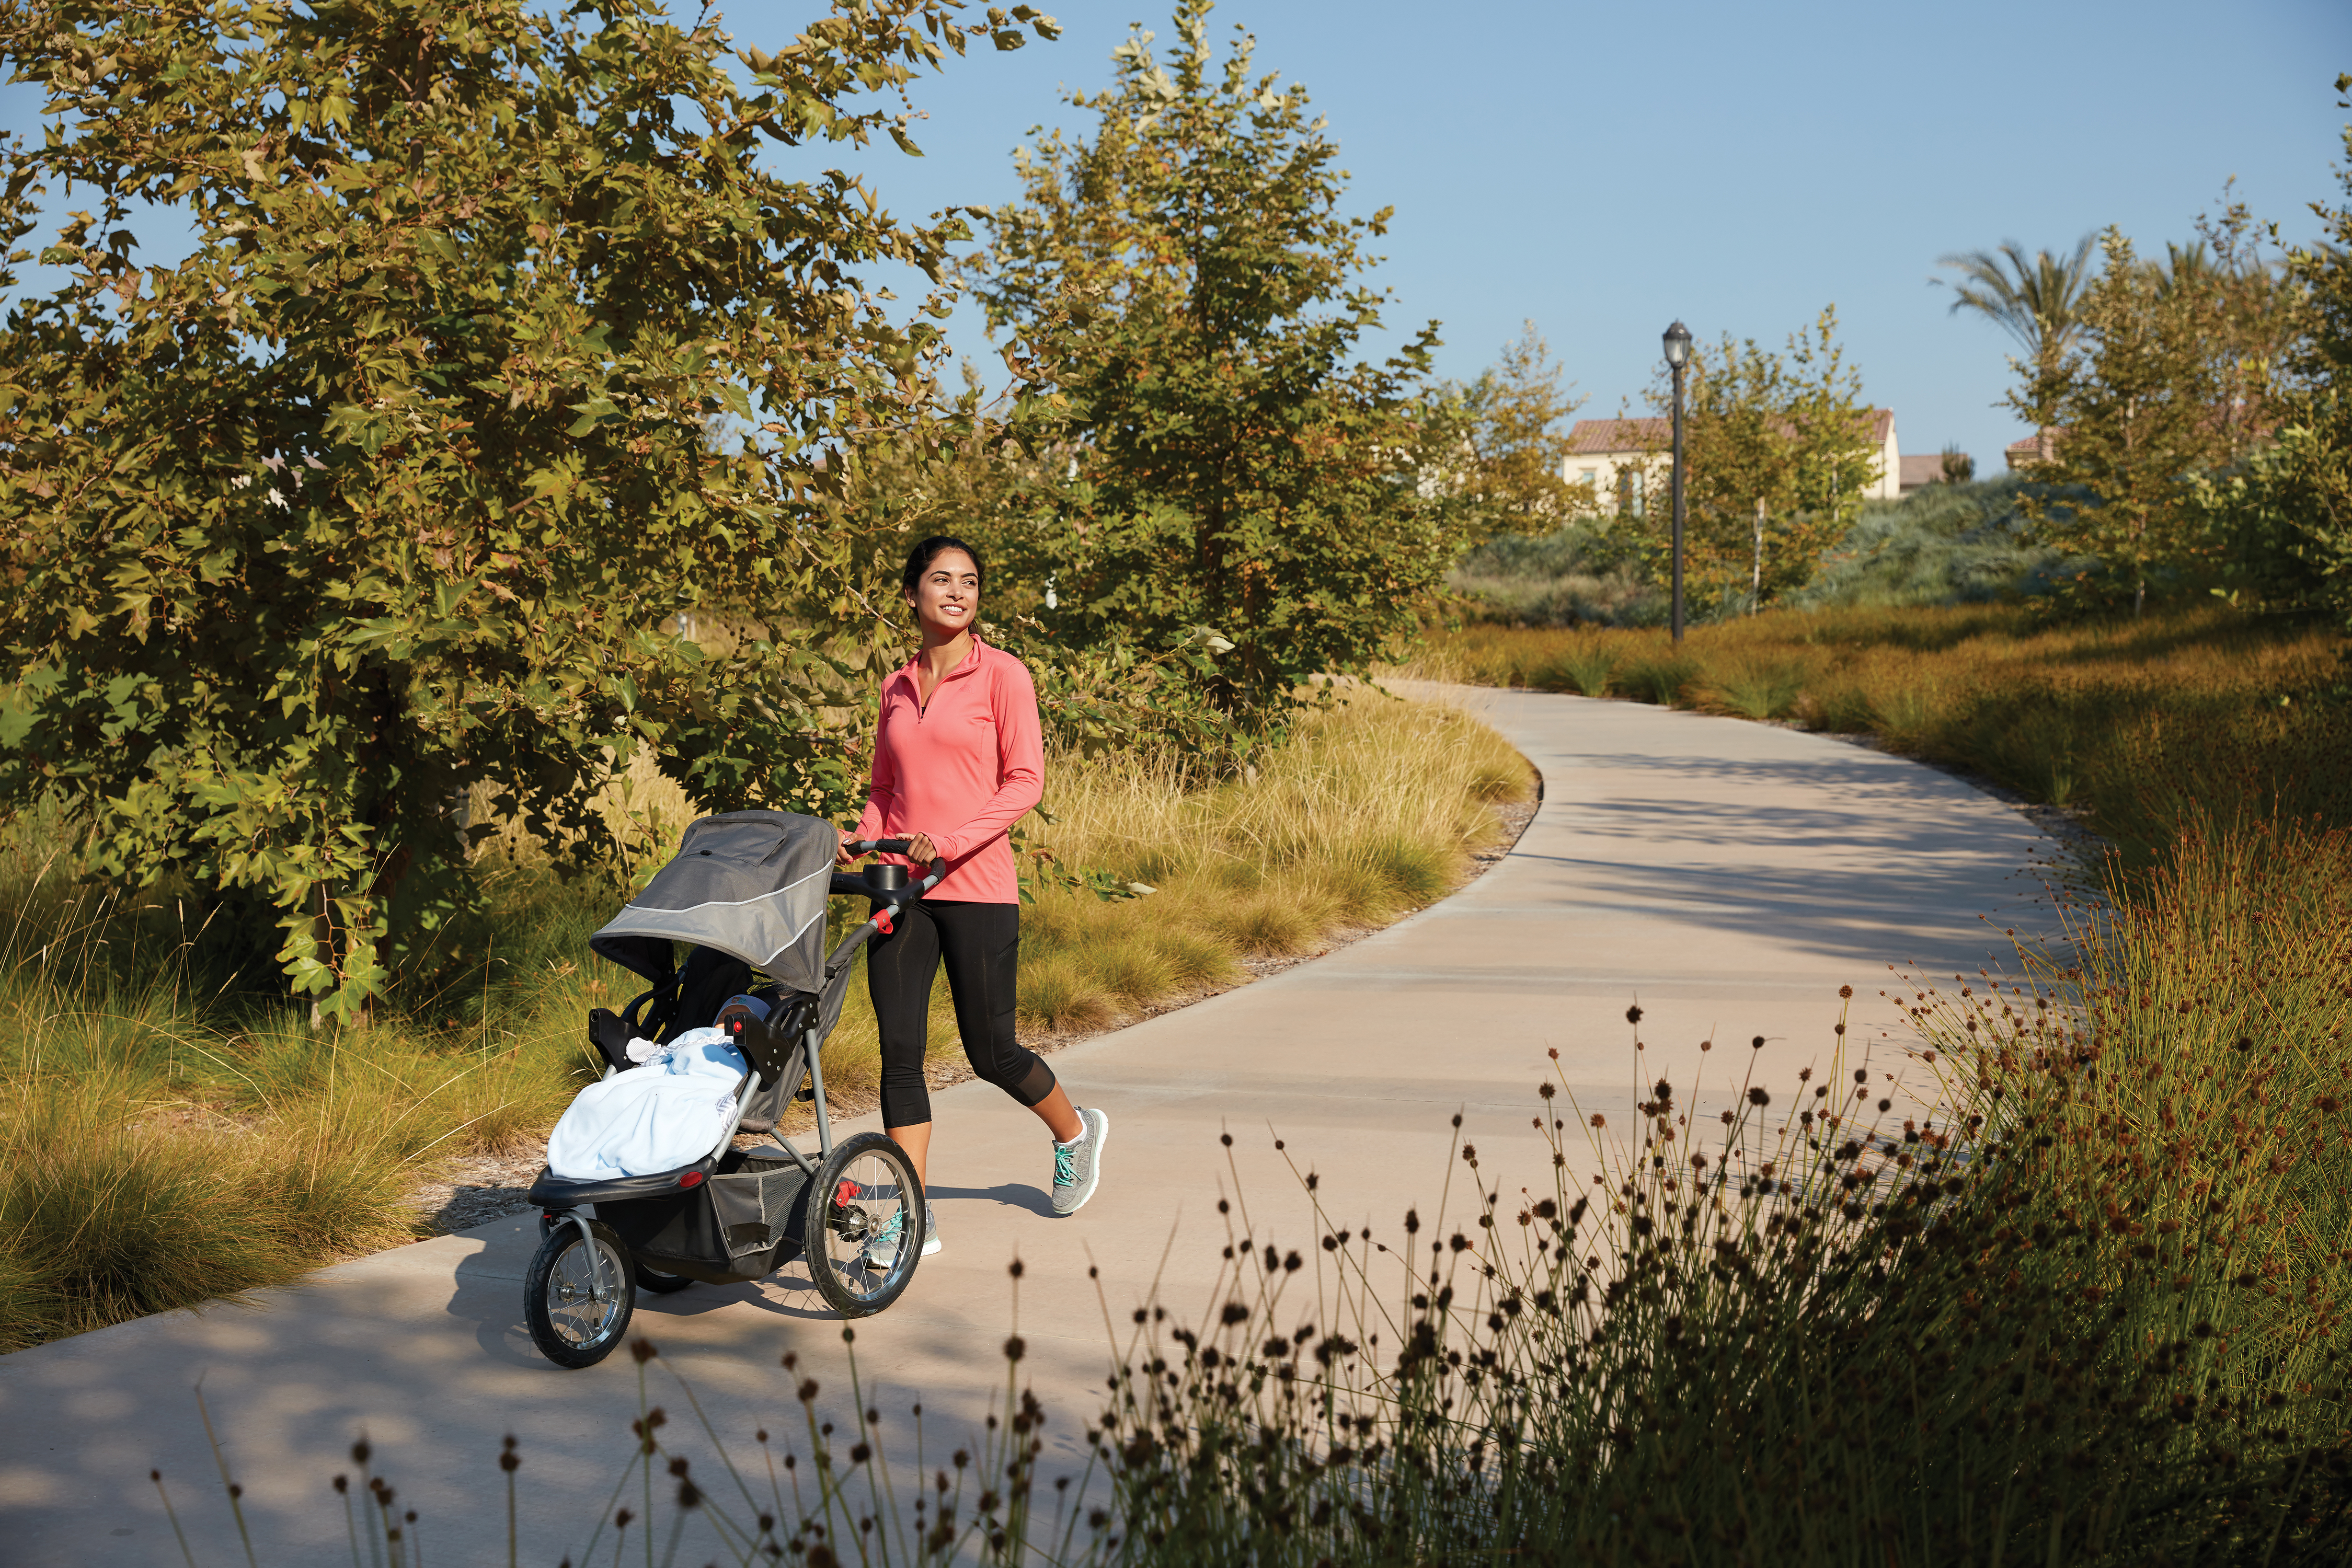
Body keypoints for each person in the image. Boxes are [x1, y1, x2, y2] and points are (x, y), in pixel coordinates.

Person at [840, 535, 1109, 1267]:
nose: (957, 592)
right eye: (941, 580)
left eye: (969, 582)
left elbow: (1025, 781)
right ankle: (910, 1208)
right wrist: (861, 838)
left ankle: (1074, 1133)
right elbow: (885, 791)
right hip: (901, 887)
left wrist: (950, 841)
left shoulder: (1004, 677)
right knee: (901, 1051)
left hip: (978, 888)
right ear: (913, 594)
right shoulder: (896, 686)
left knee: (992, 1051)